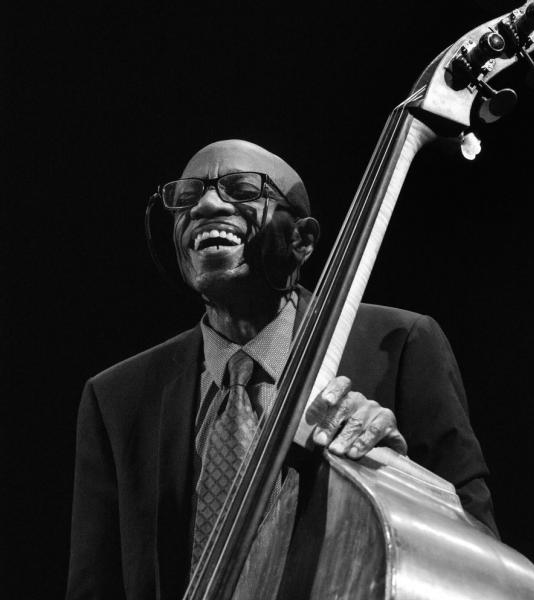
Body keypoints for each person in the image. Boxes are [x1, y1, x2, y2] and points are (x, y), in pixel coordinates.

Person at [66, 139, 498, 599]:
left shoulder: (399, 346)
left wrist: (400, 478)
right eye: (188, 196)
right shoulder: (118, 398)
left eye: (242, 190)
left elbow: (479, 560)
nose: (207, 204)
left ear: (302, 240)